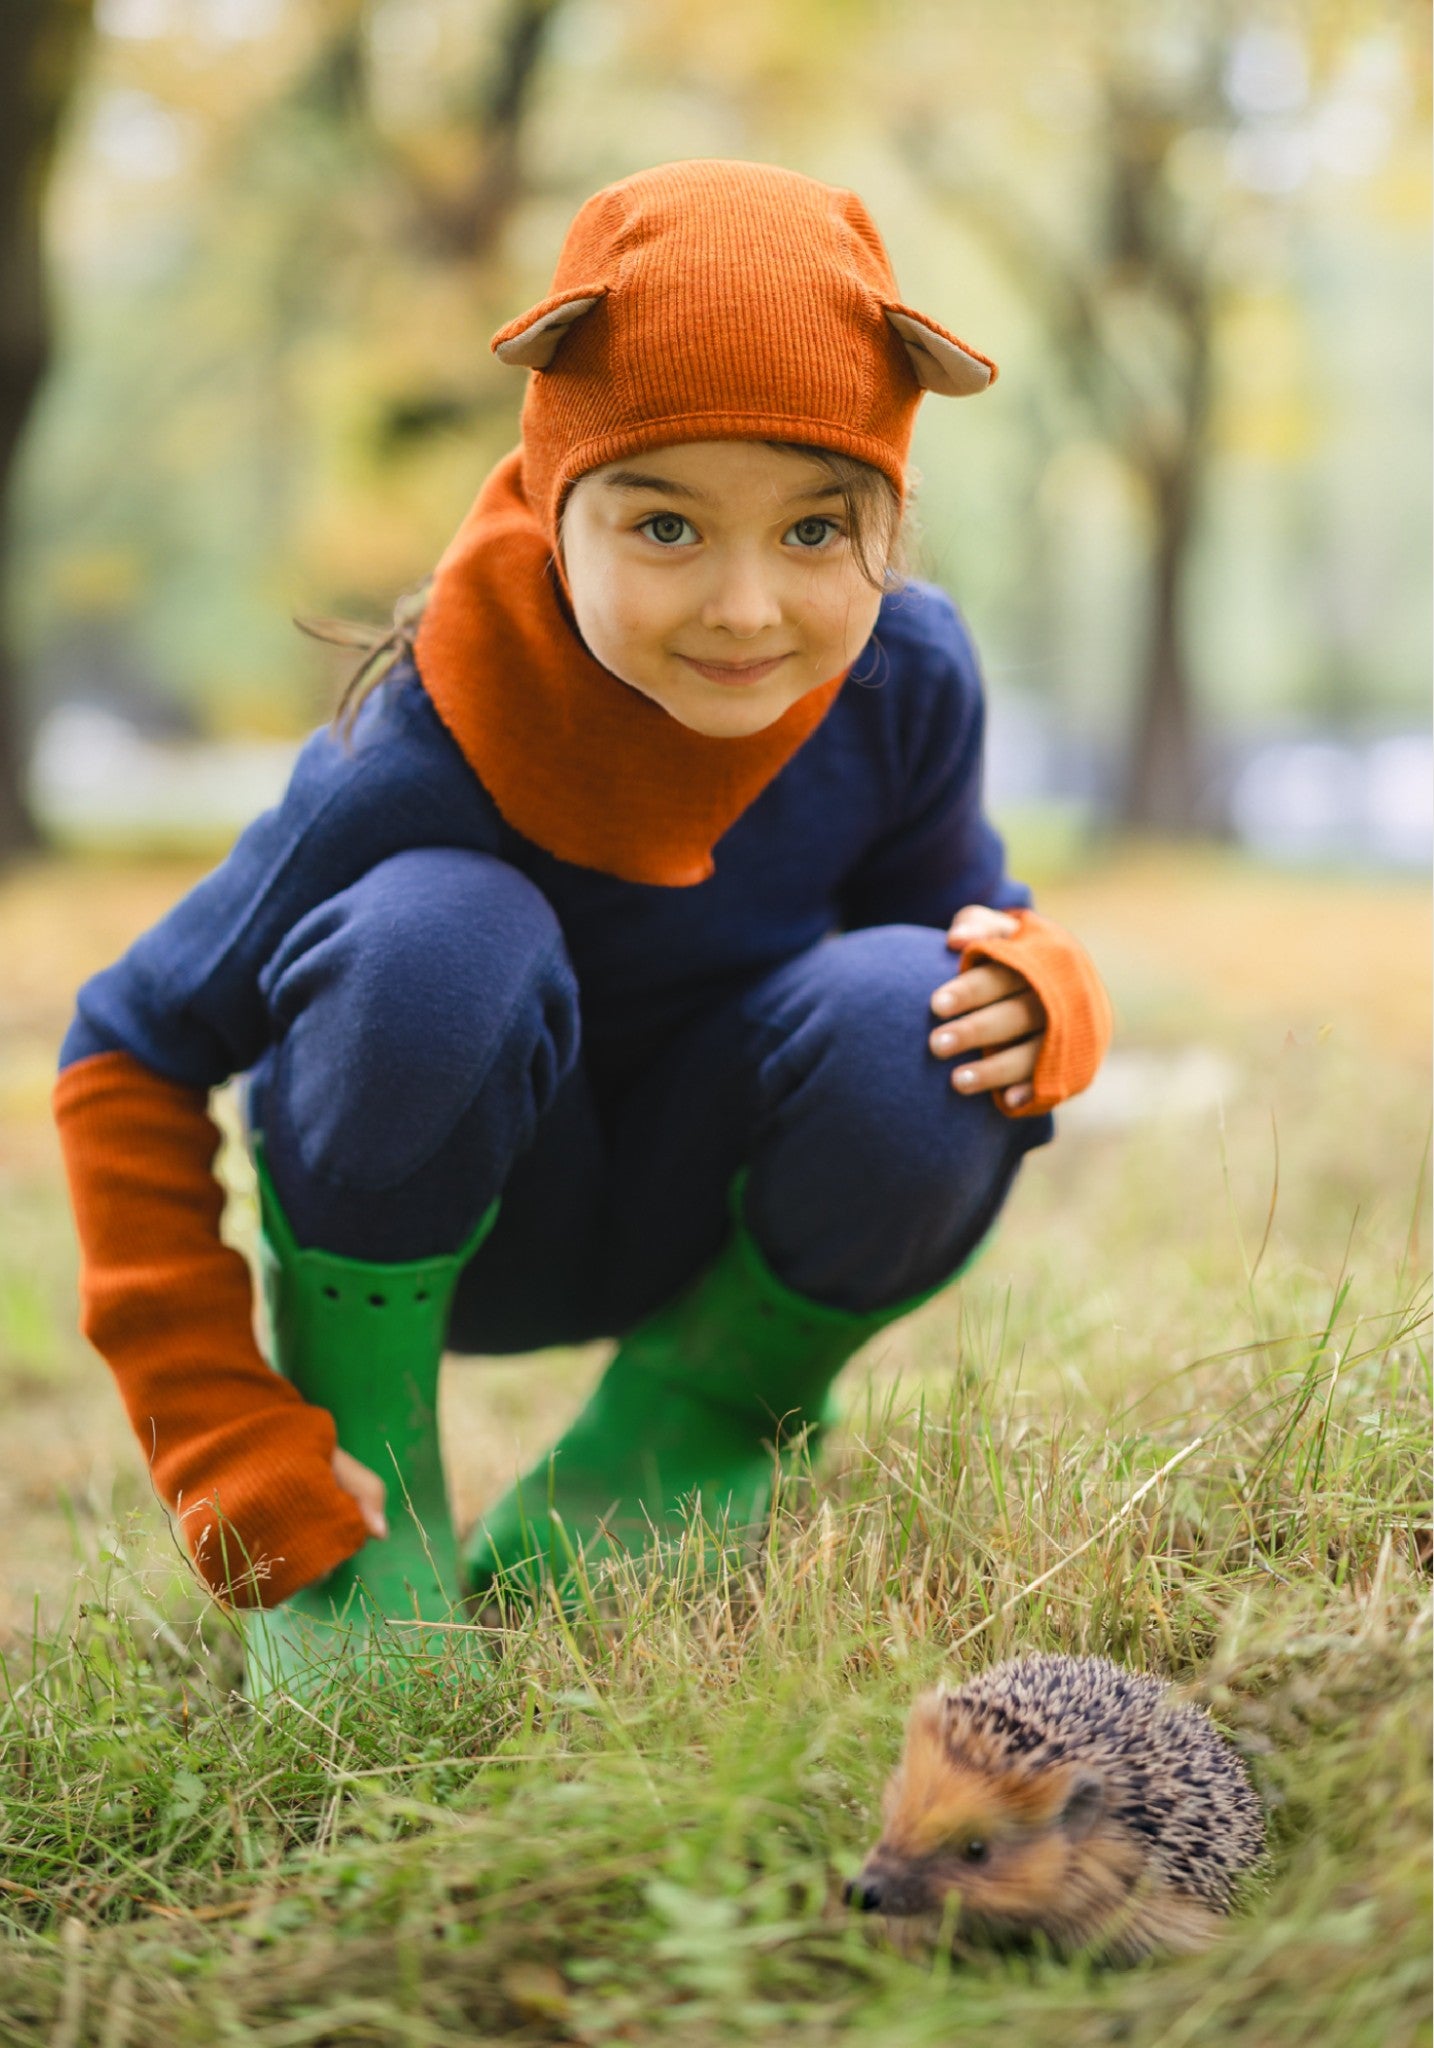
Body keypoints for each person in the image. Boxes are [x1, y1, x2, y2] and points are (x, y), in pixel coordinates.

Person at [52, 160, 1111, 1682]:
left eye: (818, 529)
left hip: (708, 1219)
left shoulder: (908, 680)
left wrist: (1036, 986)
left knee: (919, 1008)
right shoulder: (418, 749)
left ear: (891, 509)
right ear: (558, 502)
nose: (748, 608)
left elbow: (951, 930)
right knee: (440, 935)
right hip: (429, 1209)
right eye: (665, 527)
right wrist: (222, 1426)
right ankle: (380, 1491)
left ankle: (681, 1433)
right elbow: (125, 1049)